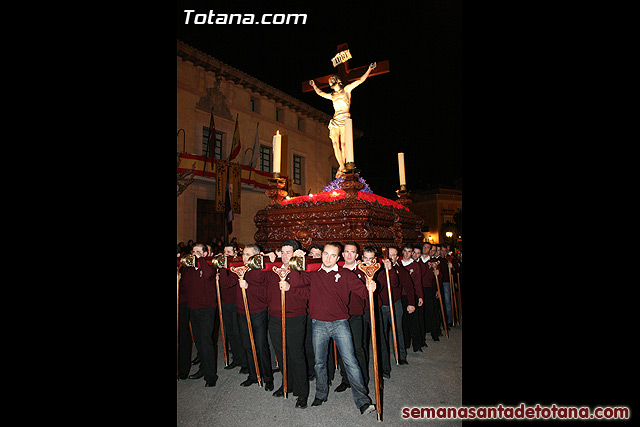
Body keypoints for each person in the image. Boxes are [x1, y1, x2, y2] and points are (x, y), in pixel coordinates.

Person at [286, 242, 377, 415]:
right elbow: (296, 281)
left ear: (338, 257)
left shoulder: (346, 275)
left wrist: (371, 286)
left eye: (332, 255)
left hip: (340, 323)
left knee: (350, 362)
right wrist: (295, 259)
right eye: (326, 254)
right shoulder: (313, 276)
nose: (328, 258)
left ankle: (363, 401)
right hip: (318, 324)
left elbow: (364, 293)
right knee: (320, 363)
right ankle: (321, 394)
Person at [309, 62, 376, 175]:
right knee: (335, 144)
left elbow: (360, 81)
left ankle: (344, 165)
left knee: (344, 144)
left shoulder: (346, 90)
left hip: (345, 119)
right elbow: (320, 93)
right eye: (329, 82)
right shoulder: (332, 95)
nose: (330, 83)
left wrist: (369, 69)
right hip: (335, 120)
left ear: (337, 80)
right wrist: (314, 86)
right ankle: (341, 165)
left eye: (331, 80)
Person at [266, 239, 310, 409]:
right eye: (282, 252)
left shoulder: (303, 269)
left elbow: (307, 292)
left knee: (296, 354)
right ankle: (287, 383)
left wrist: (291, 286)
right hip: (275, 317)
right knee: (281, 353)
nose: (285, 255)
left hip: (295, 318)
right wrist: (264, 257)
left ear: (296, 254)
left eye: (289, 252)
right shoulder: (274, 269)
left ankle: (302, 392)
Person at [236, 244, 274, 391]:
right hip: (242, 312)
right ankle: (253, 375)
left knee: (261, 345)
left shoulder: (262, 271)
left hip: (258, 312)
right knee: (247, 345)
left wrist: (248, 286)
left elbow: (265, 294)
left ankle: (267, 377)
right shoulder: (240, 270)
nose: (245, 258)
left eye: (248, 255)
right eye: (244, 254)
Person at [180, 243, 218, 387]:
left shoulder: (209, 266)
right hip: (193, 308)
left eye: (198, 251)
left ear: (204, 254)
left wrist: (200, 260)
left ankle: (211, 377)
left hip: (207, 309)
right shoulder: (187, 269)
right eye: (193, 251)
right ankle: (203, 368)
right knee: (199, 341)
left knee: (206, 340)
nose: (194, 253)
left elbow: (209, 275)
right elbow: (184, 288)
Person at [333, 242, 368, 393]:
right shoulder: (336, 271)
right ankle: (346, 379)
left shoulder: (363, 271)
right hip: (339, 315)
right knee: (342, 349)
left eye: (352, 252)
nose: (349, 255)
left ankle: (362, 380)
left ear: (357, 255)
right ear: (342, 255)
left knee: (357, 348)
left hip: (356, 315)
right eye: (346, 252)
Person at [218, 242, 249, 373]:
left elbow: (227, 283)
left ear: (235, 253)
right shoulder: (224, 265)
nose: (226, 255)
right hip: (225, 303)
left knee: (238, 334)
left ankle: (244, 362)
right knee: (230, 333)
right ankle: (236, 358)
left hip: (236, 304)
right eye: (225, 252)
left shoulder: (238, 266)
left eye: (229, 252)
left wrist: (223, 269)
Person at [388, 247, 412, 365]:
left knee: (397, 329)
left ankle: (401, 356)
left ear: (397, 258)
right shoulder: (378, 268)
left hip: (395, 302)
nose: (390, 257)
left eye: (393, 255)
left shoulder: (401, 270)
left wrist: (411, 303)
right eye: (388, 254)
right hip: (382, 304)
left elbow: (409, 287)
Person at [400, 243, 424, 352]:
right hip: (400, 296)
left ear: (412, 253)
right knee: (403, 321)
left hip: (411, 295)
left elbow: (418, 283)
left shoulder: (415, 266)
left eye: (409, 251)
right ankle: (405, 343)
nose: (407, 253)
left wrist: (420, 296)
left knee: (414, 321)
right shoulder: (398, 264)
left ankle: (417, 345)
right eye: (405, 251)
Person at [418, 242, 440, 342]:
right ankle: (422, 333)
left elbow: (438, 277)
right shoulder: (418, 260)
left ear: (430, 250)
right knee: (421, 312)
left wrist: (437, 290)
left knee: (432, 311)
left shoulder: (433, 261)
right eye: (424, 247)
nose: (425, 249)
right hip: (419, 289)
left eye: (427, 248)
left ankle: (435, 333)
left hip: (429, 288)